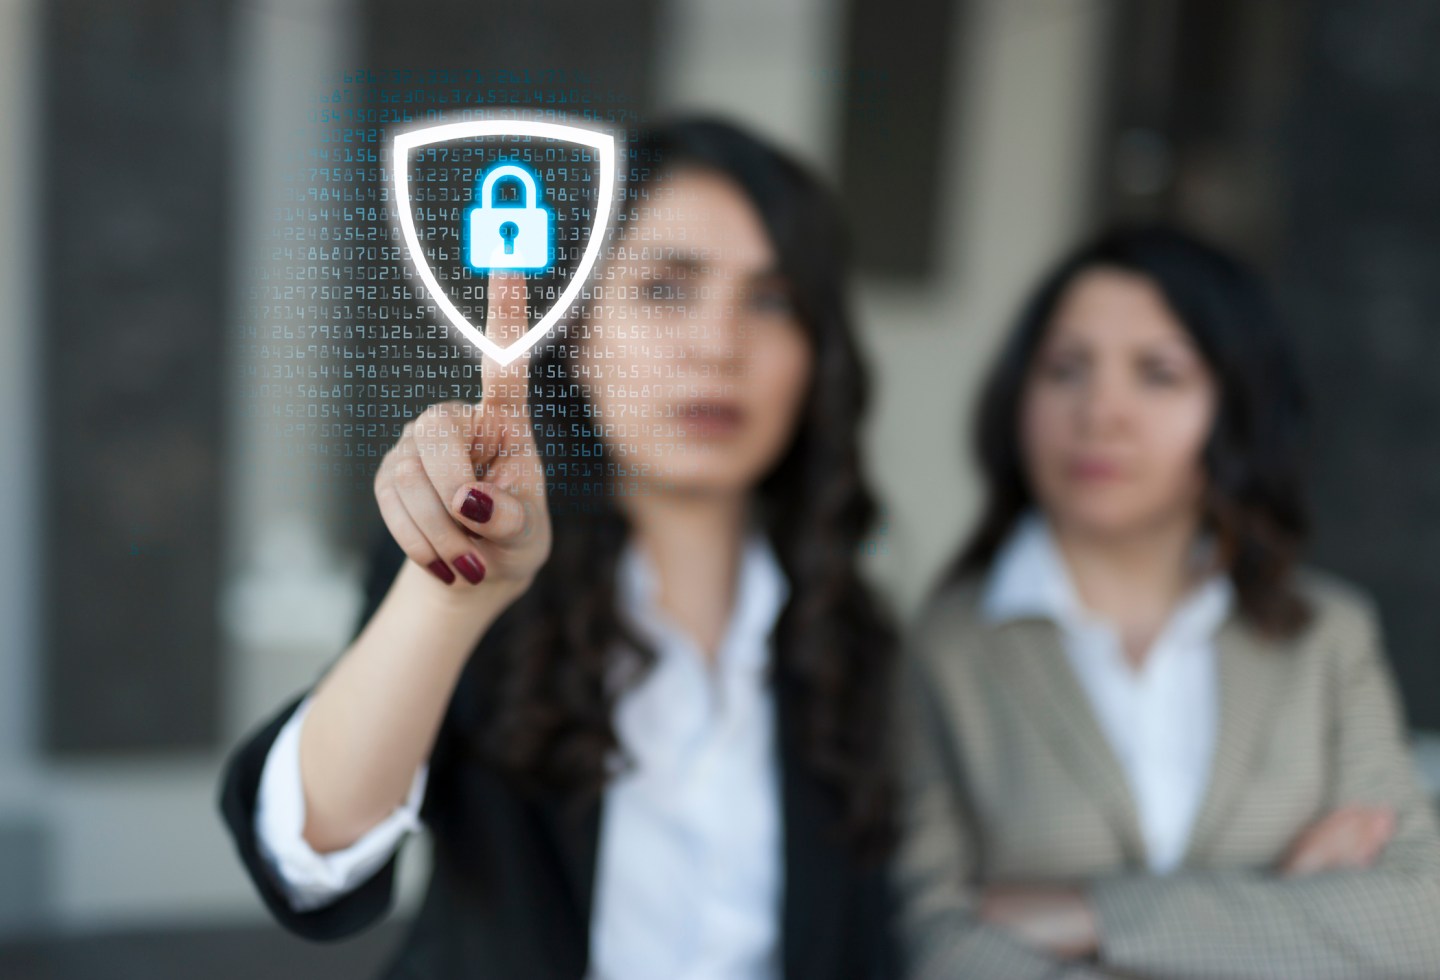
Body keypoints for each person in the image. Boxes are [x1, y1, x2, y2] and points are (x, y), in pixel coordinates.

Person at [218, 117, 899, 979]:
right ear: (577, 332)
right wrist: (451, 600)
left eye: (771, 301)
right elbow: (309, 850)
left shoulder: (856, 642)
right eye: (664, 289)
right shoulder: (480, 562)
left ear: (817, 353)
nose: (719, 347)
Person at [892, 224, 1440, 979]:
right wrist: (1283, 913)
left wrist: (1093, 916)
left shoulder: (1327, 638)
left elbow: (1419, 921)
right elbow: (936, 948)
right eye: (1065, 369)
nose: (1099, 412)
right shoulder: (942, 649)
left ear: (1236, 408)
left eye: (1158, 373)